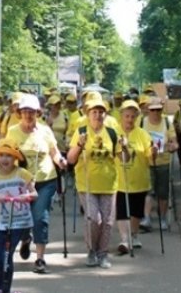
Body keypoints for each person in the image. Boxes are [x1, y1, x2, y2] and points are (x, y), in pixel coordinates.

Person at [4, 94, 67, 274]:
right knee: (23, 217)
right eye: (25, 112)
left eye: (32, 112)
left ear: (38, 113)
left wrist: (60, 160)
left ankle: (40, 258)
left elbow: (54, 152)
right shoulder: (13, 132)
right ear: (19, 113)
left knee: (40, 217)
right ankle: (25, 238)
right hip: (21, 182)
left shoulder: (45, 130)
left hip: (45, 180)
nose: (28, 115)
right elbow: (7, 155)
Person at [66, 97, 120, 268]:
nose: (98, 115)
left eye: (101, 112)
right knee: (93, 219)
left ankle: (102, 254)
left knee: (107, 221)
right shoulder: (81, 131)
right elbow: (70, 159)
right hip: (87, 184)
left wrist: (125, 148)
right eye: (94, 112)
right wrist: (79, 146)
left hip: (108, 184)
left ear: (105, 114)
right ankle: (92, 250)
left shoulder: (111, 133)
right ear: (88, 115)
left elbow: (122, 158)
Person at [0, 142, 37, 293]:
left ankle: (5, 289)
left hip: (21, 221)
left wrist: (25, 196)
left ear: (15, 158)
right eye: (1, 155)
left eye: (8, 155)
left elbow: (35, 194)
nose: (4, 159)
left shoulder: (22, 173)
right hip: (3, 222)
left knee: (7, 255)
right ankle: (0, 288)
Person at [115, 100, 152, 253]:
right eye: (127, 116)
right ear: (121, 116)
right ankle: (124, 239)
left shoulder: (142, 134)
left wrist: (154, 152)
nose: (130, 120)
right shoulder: (114, 132)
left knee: (136, 211)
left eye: (132, 117)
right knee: (122, 211)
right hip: (120, 180)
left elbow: (149, 154)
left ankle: (134, 235)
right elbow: (117, 155)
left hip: (139, 179)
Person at [141, 97, 178, 231]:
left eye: (158, 110)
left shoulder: (167, 123)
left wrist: (173, 146)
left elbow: (174, 141)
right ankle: (146, 218)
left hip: (164, 162)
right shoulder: (142, 122)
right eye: (153, 110)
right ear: (148, 110)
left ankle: (162, 218)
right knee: (149, 191)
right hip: (147, 162)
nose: (155, 113)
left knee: (163, 192)